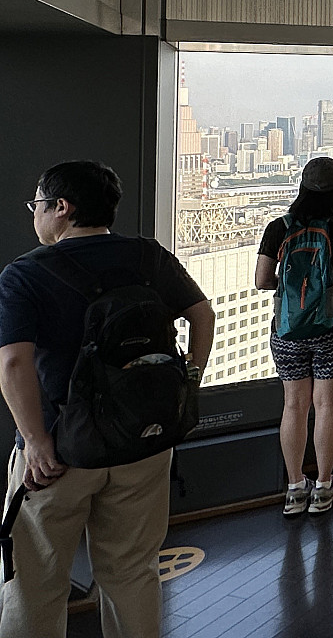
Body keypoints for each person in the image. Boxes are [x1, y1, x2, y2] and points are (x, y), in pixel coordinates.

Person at [0, 161, 214, 637]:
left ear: (62, 208)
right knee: (133, 571)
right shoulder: (147, 256)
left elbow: (14, 364)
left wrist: (34, 442)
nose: (34, 214)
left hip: (59, 451)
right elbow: (202, 313)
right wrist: (189, 381)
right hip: (143, 440)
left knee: (34, 582)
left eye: (38, 204)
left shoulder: (26, 274)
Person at [255, 156, 333, 515]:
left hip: (289, 331)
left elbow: (261, 280)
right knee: (326, 405)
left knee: (293, 405)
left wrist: (289, 289)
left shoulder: (280, 226)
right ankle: (322, 486)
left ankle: (294, 488)